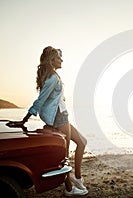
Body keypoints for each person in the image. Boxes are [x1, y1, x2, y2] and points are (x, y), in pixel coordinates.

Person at [21, 46, 88, 196]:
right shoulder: (52, 79)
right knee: (64, 155)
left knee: (82, 142)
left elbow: (49, 100)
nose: (61, 60)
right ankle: (69, 189)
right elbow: (40, 100)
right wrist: (25, 119)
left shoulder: (54, 76)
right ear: (52, 61)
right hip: (60, 118)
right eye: (58, 58)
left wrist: (56, 52)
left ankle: (77, 178)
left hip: (61, 115)